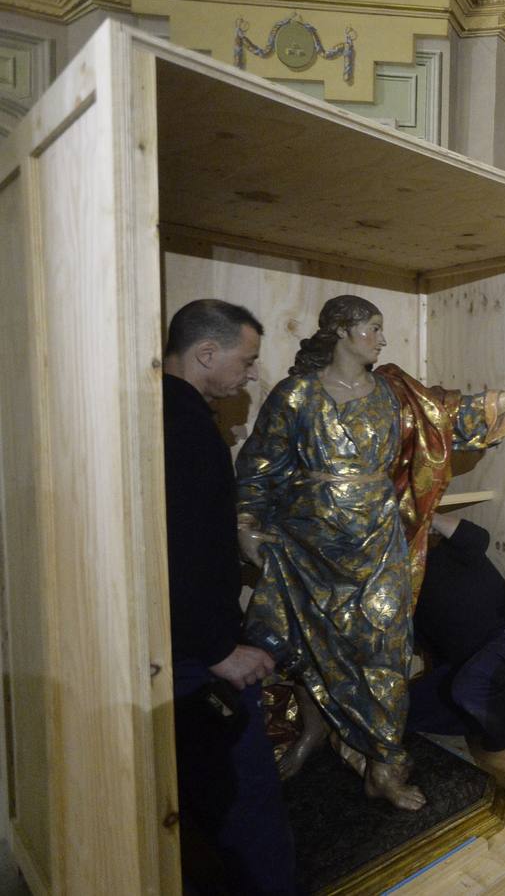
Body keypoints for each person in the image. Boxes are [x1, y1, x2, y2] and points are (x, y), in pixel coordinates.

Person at [235, 294, 505, 811]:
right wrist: (246, 524)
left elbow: (445, 418)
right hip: (311, 544)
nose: (382, 339)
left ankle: (384, 762)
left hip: (379, 544)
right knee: (313, 646)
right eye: (373, 328)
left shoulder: (393, 394)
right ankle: (319, 736)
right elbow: (261, 464)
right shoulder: (296, 396)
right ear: (341, 331)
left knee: (385, 653)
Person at [162, 299, 295, 895]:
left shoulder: (162, 412)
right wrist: (219, 648)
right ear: (205, 353)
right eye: (245, 361)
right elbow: (181, 550)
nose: (250, 375)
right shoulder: (185, 426)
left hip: (178, 645)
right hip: (195, 657)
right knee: (246, 798)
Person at [411, 513, 505, 794]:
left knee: (470, 686)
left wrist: (427, 515)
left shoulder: (451, 550)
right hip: (467, 666)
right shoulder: (404, 590)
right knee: (400, 713)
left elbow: (476, 536)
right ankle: (500, 719)